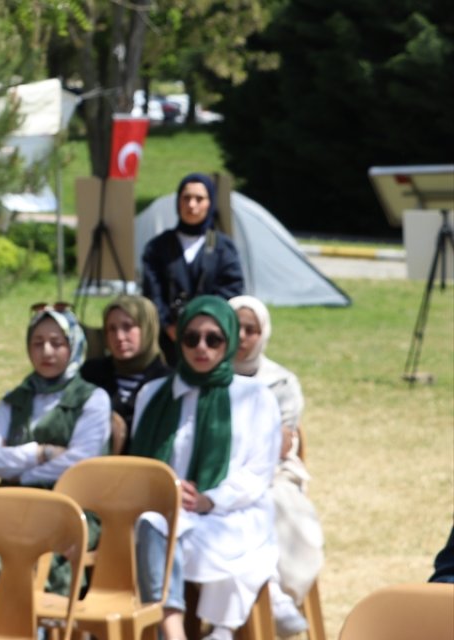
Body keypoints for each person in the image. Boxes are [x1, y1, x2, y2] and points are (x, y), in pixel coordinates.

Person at [0, 304, 111, 638]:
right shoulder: (15, 398)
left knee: (37, 554)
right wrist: (39, 452)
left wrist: (22, 471)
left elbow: (80, 462)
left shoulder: (93, 398)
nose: (47, 351)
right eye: (38, 343)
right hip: (11, 504)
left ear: (73, 345)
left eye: (57, 342)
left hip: (69, 507)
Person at [130, 295, 282, 640]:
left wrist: (209, 500)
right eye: (191, 338)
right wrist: (166, 491)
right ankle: (174, 632)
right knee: (153, 525)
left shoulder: (255, 397)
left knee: (174, 533)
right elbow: (139, 467)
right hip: (164, 511)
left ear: (228, 341)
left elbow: (258, 473)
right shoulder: (154, 394)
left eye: (213, 339)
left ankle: (216, 630)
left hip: (231, 514)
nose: (202, 347)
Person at [229, 295, 320, 638]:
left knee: (272, 503)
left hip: (272, 473)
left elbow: (280, 444)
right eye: (235, 327)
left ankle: (278, 595)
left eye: (250, 330)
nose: (240, 337)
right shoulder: (210, 376)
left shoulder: (282, 381)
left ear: (263, 333)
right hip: (224, 475)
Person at [141, 173, 245, 360]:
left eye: (199, 199)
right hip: (166, 342)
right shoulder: (157, 247)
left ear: (210, 203)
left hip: (210, 341)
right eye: (186, 198)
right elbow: (152, 291)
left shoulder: (223, 248)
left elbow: (232, 288)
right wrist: (169, 325)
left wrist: (201, 323)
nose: (192, 205)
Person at [80, 294, 172, 447]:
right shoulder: (91, 374)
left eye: (127, 327)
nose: (119, 337)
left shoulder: (166, 382)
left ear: (147, 327)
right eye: (111, 329)